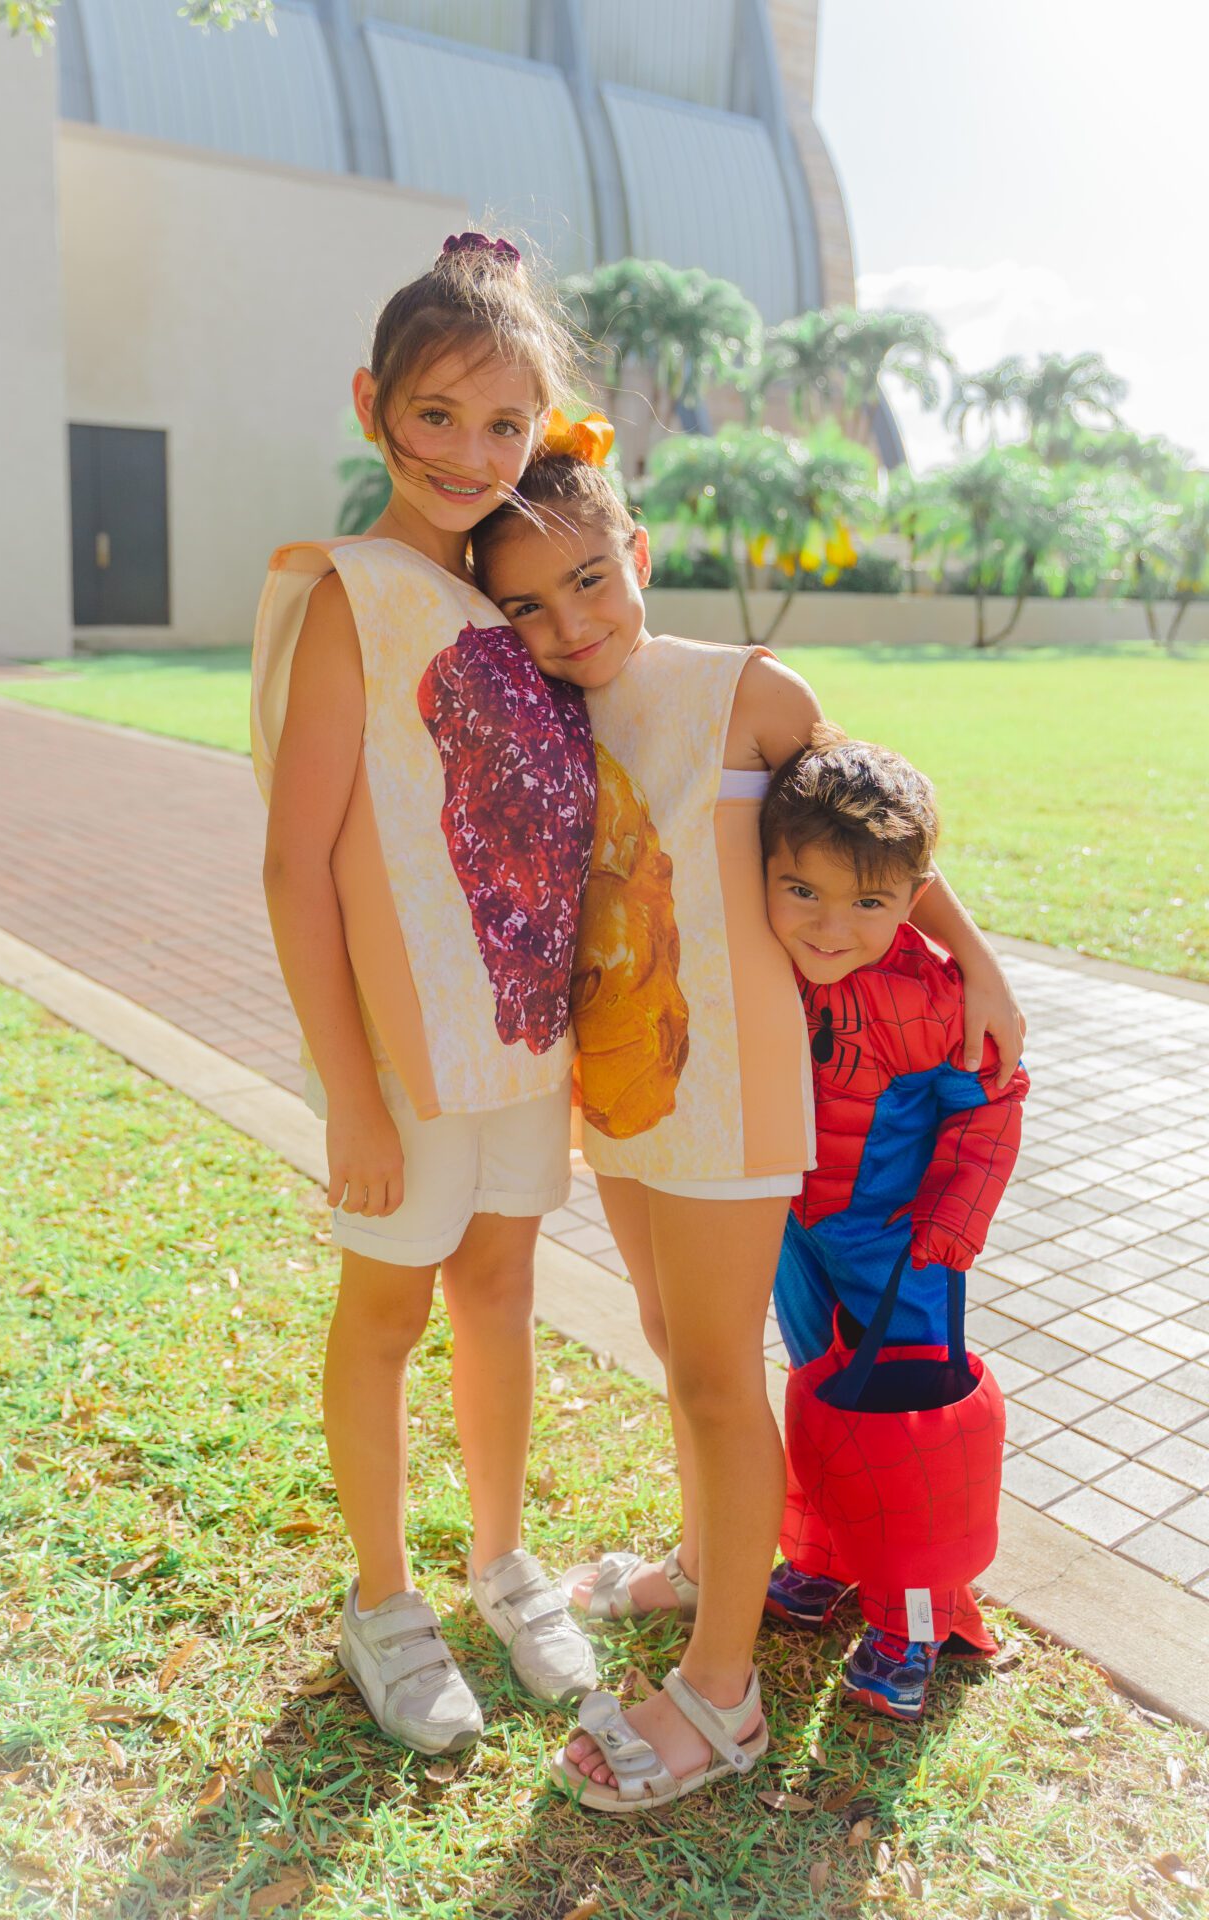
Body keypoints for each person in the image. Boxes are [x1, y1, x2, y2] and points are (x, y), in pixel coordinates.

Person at [470, 441, 1026, 1812]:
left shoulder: (750, 691)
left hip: (735, 1082)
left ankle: (721, 1693)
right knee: (674, 1340)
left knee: (718, 1374)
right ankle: (708, 1561)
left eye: (589, 580)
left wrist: (978, 962)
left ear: (637, 554)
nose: (570, 624)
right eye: (527, 604)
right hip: (623, 1075)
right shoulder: (545, 708)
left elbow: (875, 844)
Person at [251, 234, 600, 1758]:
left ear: (544, 430)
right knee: (389, 1310)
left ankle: (505, 1563)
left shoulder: (513, 601)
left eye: (504, 422)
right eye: (436, 414)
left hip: (523, 1038)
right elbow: (296, 865)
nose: (469, 453)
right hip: (403, 1058)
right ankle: (385, 1600)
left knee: (502, 1292)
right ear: (370, 405)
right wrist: (349, 1092)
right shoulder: (353, 593)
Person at [760, 729, 1028, 1721]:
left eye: (867, 903)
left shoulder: (930, 995)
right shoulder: (762, 957)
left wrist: (950, 1226)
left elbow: (991, 1101)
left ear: (914, 897)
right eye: (803, 891)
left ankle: (910, 1623)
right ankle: (824, 1557)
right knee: (820, 1393)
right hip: (791, 1234)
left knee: (909, 1429)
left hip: (901, 1256)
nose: (831, 927)